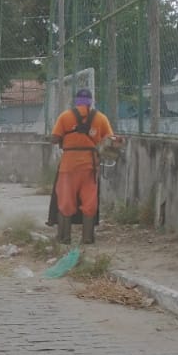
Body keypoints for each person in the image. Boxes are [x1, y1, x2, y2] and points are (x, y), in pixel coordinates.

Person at [48, 87, 118, 244]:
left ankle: (64, 238)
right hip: (90, 167)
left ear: (76, 101)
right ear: (91, 101)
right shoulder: (101, 118)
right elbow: (111, 141)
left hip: (68, 166)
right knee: (89, 201)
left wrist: (64, 138)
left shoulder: (65, 117)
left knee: (65, 200)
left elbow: (54, 138)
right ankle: (87, 238)